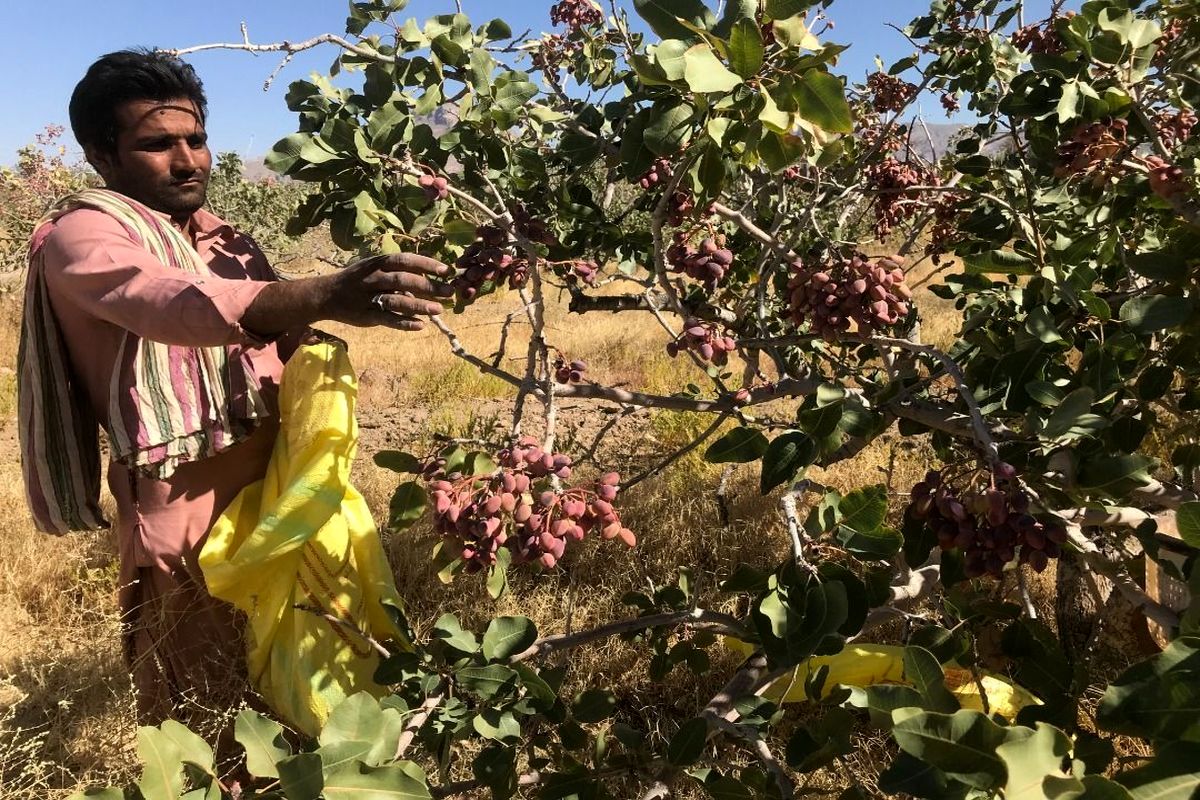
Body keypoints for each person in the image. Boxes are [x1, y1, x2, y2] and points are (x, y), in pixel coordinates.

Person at [16, 48, 450, 726]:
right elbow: (169, 302)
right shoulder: (83, 236)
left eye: (196, 139)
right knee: (204, 711)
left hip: (279, 495)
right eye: (157, 144)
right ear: (102, 154)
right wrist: (329, 291)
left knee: (309, 690)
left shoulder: (228, 242)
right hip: (182, 511)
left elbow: (277, 337)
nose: (187, 160)